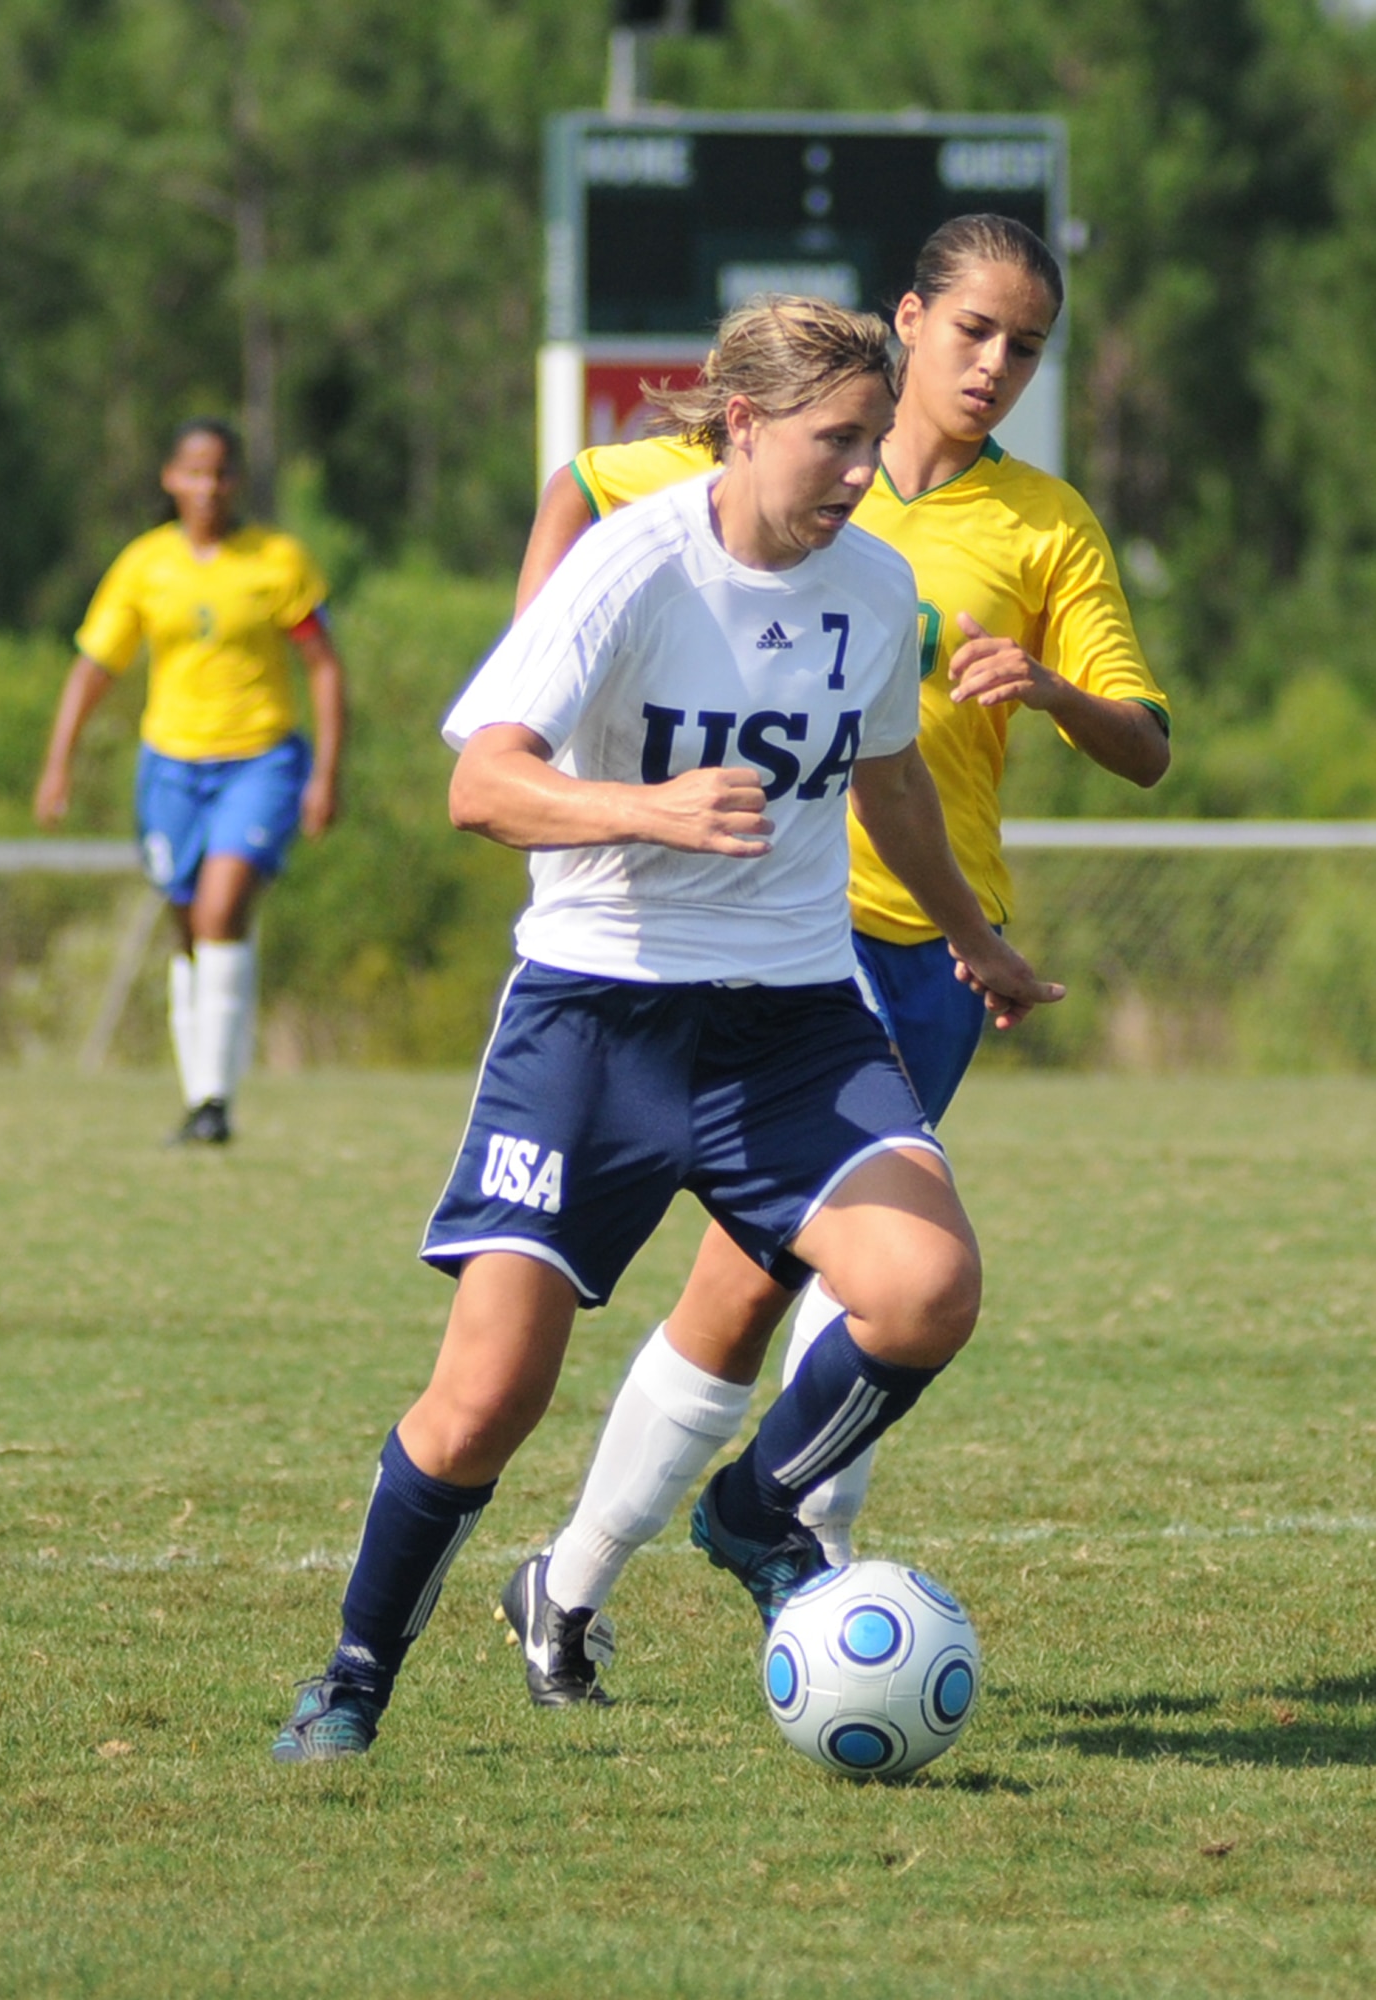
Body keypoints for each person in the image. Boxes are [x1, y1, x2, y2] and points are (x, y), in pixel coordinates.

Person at [270, 294, 1062, 1761]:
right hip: (596, 1022)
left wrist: (969, 936)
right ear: (741, 424)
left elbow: (889, 784)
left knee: (925, 1285)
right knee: (482, 1402)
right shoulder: (629, 569)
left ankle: (751, 1510)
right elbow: (482, 786)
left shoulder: (877, 592)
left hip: (794, 1026)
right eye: (832, 441)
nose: (856, 472)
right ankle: (353, 1681)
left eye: (871, 443)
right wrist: (641, 809)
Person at [505, 214, 1171, 1708]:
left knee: (804, 1294)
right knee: (761, 1289)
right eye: (975, 330)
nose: (995, 363)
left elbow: (1147, 745)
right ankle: (700, 1565)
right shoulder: (785, 452)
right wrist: (534, 686)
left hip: (924, 950)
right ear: (910, 317)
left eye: (1027, 345)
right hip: (757, 940)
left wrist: (1049, 687)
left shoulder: (1042, 526)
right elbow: (584, 481)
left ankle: (628, 1573)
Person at [34, 419, 346, 1144]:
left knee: (220, 909)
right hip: (170, 767)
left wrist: (325, 772)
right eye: (195, 473)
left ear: (237, 482)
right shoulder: (144, 566)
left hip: (261, 760)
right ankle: (199, 1090)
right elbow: (94, 666)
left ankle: (214, 1103)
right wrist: (59, 762)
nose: (209, 487)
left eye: (222, 474)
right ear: (171, 479)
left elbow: (322, 665)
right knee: (187, 922)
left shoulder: (276, 562)